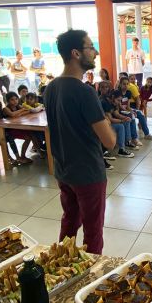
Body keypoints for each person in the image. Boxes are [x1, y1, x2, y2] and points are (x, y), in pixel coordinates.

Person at [44, 29, 116, 255]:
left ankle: (61, 268)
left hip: (64, 171)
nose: (95, 52)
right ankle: (90, 279)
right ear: (76, 53)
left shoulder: (51, 88)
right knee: (93, 232)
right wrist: (106, 120)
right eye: (90, 47)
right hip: (88, 173)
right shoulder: (85, 92)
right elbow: (110, 141)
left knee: (69, 223)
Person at [98, 81, 135, 159]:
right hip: (103, 124)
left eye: (106, 87)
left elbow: (117, 114)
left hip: (108, 121)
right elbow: (110, 119)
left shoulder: (111, 101)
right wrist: (122, 120)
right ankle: (121, 149)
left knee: (127, 121)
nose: (119, 103)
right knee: (120, 126)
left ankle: (127, 143)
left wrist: (125, 118)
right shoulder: (103, 101)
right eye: (102, 87)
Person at [1, 92, 35, 165]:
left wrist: (19, 113)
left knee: (31, 134)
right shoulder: (5, 109)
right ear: (7, 101)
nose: (15, 101)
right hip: (9, 130)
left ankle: (23, 156)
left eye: (16, 99)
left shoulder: (17, 107)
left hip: (18, 127)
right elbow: (12, 114)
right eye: (12, 100)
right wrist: (22, 110)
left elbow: (28, 111)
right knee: (28, 137)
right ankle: (21, 157)